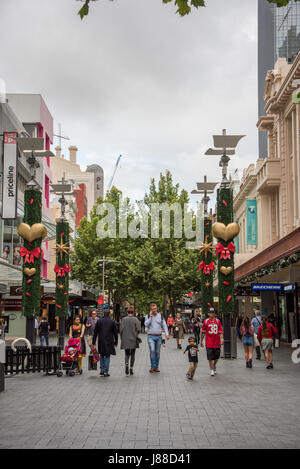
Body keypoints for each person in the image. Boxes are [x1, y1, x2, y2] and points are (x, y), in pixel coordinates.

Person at [92, 310, 118, 377]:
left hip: (101, 340)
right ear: (109, 314)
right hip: (109, 341)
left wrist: (93, 342)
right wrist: (116, 342)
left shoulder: (99, 321)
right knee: (107, 355)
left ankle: (102, 369)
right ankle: (106, 371)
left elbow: (95, 332)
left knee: (102, 354)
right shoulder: (112, 321)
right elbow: (115, 333)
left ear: (103, 314)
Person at [145, 302, 169, 373]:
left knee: (157, 352)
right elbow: (145, 324)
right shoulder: (148, 316)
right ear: (151, 309)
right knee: (152, 351)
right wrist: (150, 317)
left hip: (159, 337)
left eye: (155, 308)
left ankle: (156, 367)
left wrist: (166, 334)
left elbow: (164, 325)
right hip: (150, 337)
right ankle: (152, 366)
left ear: (157, 308)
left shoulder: (160, 316)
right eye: (153, 309)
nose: (154, 310)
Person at [201, 307, 224, 376]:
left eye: (213, 312)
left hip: (217, 342)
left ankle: (214, 365)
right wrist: (201, 341)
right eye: (210, 312)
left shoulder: (218, 321)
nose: (212, 314)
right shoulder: (205, 321)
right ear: (208, 313)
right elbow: (203, 332)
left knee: (217, 356)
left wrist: (221, 338)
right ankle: (211, 369)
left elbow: (220, 331)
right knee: (210, 357)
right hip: (209, 342)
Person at [120, 306, 141, 376]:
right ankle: (131, 369)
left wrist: (122, 338)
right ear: (133, 312)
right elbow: (138, 329)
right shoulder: (136, 319)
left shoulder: (123, 319)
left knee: (126, 353)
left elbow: (121, 330)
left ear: (127, 312)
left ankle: (126, 364)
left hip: (125, 338)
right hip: (133, 339)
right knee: (132, 354)